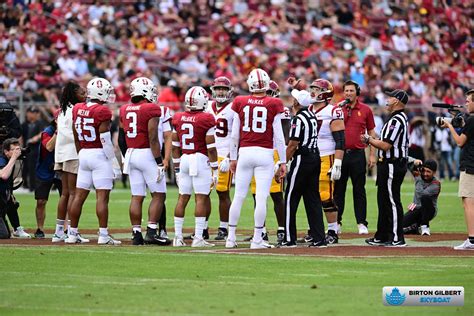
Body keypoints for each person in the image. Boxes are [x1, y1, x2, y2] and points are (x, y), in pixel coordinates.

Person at [225, 68, 287, 249]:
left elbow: (234, 135)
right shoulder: (274, 103)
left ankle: (230, 238)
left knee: (238, 196)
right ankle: (257, 238)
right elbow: (279, 136)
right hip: (265, 153)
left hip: (244, 152)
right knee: (261, 197)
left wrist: (233, 158)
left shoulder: (240, 101)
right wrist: (282, 161)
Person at [66, 77, 122, 245]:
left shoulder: (77, 108)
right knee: (102, 197)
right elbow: (105, 139)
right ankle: (103, 235)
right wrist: (113, 162)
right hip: (99, 155)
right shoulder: (102, 111)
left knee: (78, 196)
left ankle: (72, 233)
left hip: (84, 153)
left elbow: (75, 134)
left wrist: (80, 152)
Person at [118, 77, 168, 246]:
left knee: (137, 196)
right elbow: (153, 137)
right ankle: (152, 232)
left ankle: (136, 234)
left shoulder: (124, 109)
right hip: (147, 154)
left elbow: (121, 139)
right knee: (159, 195)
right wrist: (159, 161)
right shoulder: (151, 108)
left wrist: (127, 156)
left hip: (132, 154)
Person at [171, 86, 218, 248]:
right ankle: (198, 237)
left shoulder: (178, 117)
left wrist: (177, 168)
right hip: (200, 159)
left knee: (182, 197)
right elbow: (211, 147)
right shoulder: (206, 119)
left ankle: (177, 237)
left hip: (184, 159)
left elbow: (175, 146)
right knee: (201, 198)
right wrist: (216, 168)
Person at [363, 89, 409, 247]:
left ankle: (397, 237)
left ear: (396, 100)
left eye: (390, 97)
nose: (387, 100)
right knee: (383, 200)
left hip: (392, 164)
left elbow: (385, 145)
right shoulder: (394, 118)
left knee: (392, 200)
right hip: (387, 164)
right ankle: (382, 235)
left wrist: (368, 139)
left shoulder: (397, 120)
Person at [281, 88, 326, 247]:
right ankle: (319, 237)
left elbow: (293, 144)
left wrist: (283, 162)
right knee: (312, 199)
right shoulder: (312, 115)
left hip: (302, 158)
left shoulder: (298, 119)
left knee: (290, 198)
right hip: (315, 157)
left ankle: (289, 238)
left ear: (296, 102)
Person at [247, 80, 290, 244]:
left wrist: (282, 158)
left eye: (271, 93)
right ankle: (261, 230)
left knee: (277, 194)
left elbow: (284, 136)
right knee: (256, 194)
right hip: (257, 151)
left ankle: (281, 229)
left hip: (273, 153)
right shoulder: (252, 108)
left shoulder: (281, 110)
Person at [305, 78, 345, 245]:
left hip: (326, 156)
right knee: (310, 195)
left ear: (325, 93)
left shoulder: (333, 111)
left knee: (325, 196)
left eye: (316, 89)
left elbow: (340, 140)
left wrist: (337, 162)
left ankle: (332, 230)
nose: (312, 92)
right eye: (311, 88)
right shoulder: (307, 109)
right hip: (310, 157)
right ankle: (315, 229)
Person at [334, 80, 377, 234]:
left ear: (357, 92)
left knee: (359, 190)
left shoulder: (365, 109)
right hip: (340, 154)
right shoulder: (337, 108)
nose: (348, 94)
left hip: (358, 154)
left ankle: (361, 223)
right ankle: (336, 222)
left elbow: (372, 133)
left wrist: (372, 154)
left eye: (351, 91)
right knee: (338, 190)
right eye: (346, 91)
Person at [53, 81, 86, 243]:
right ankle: (72, 231)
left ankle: (59, 231)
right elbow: (75, 134)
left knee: (65, 193)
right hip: (73, 154)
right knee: (73, 193)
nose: (85, 95)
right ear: (74, 94)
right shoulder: (76, 111)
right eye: (82, 92)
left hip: (61, 154)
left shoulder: (62, 111)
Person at [442, 89, 474, 250]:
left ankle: (472, 240)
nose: (466, 103)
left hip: (470, 165)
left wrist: (449, 126)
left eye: (468, 101)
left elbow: (460, 142)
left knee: (468, 202)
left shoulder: (472, 120)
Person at [207, 76, 234, 241]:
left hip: (224, 154)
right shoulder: (206, 106)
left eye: (223, 88)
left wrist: (230, 156)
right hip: (208, 154)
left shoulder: (233, 108)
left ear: (229, 90)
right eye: (218, 88)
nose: (220, 91)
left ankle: (223, 228)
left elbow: (238, 135)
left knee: (222, 193)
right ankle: (202, 227)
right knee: (203, 193)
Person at [34, 114, 62, 238]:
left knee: (65, 198)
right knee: (41, 200)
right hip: (46, 168)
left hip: (62, 167)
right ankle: (40, 228)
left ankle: (65, 229)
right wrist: (58, 131)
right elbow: (49, 147)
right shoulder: (47, 132)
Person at [0, 138, 30, 239]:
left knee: (11, 203)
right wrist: (13, 158)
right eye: (14, 150)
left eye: (18, 149)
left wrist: (10, 193)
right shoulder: (1, 160)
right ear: (6, 151)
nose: (17, 152)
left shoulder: (9, 160)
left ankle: (17, 229)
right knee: (3, 235)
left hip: (2, 200)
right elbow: (3, 175)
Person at [403, 159, 441, 236]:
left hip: (429, 210)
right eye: (424, 170)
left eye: (428, 172)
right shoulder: (419, 175)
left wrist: (418, 177)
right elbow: (404, 159)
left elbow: (422, 194)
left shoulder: (436, 184)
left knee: (425, 198)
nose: (425, 174)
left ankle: (425, 226)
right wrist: (414, 161)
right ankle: (414, 227)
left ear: (434, 173)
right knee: (400, 225)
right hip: (416, 209)